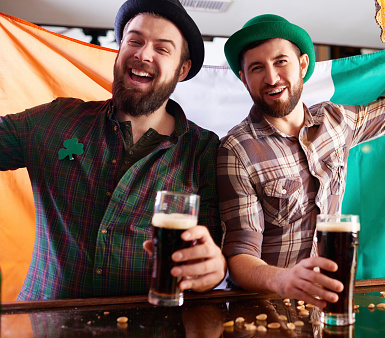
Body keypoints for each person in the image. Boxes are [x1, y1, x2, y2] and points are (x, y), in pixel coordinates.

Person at [217, 14, 385, 307]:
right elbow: (240, 256)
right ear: (243, 79)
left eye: (281, 61)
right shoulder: (236, 149)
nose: (271, 77)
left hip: (329, 305)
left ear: (303, 65)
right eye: (257, 68)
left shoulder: (335, 122)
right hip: (264, 312)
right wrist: (283, 280)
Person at [0, 0, 226, 300]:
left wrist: (214, 269)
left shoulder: (204, 151)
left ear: (182, 69)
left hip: (148, 327)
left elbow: (210, 253)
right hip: (46, 325)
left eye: (162, 48)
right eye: (134, 41)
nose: (143, 54)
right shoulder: (57, 119)